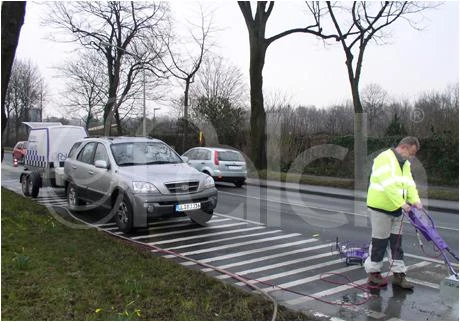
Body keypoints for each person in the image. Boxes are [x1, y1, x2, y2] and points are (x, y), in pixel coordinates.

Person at [364, 136, 423, 289]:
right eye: (411, 152)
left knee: (396, 243)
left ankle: (398, 274)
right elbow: (387, 184)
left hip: (397, 209)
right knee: (380, 241)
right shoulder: (384, 159)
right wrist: (402, 203)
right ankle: (374, 273)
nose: (412, 156)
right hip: (380, 208)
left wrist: (415, 200)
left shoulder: (405, 164)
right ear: (403, 147)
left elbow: (409, 184)